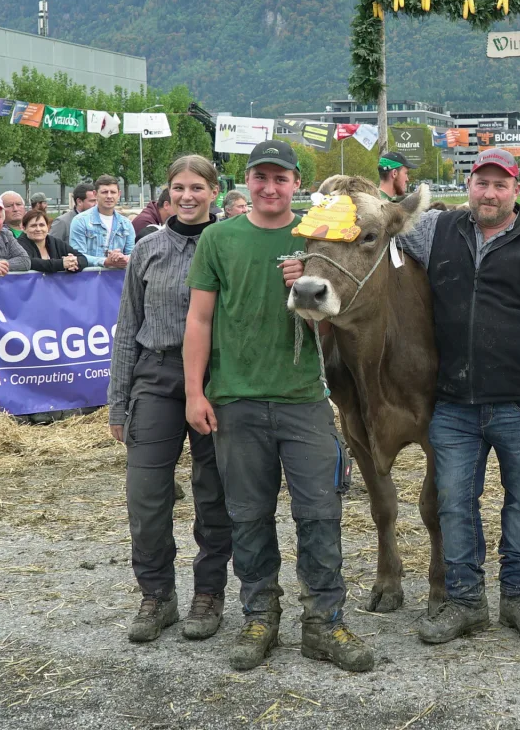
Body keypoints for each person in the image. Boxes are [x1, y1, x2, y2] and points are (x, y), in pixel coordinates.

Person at [183, 140, 374, 673]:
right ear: (247, 182)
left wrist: (312, 291)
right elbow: (198, 320)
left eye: (281, 178)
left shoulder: (318, 239)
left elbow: (346, 316)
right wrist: (195, 391)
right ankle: (259, 616)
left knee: (320, 513)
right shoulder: (219, 239)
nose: (270, 187)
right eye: (260, 177)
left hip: (305, 400)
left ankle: (324, 621)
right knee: (247, 515)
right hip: (237, 398)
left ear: (297, 185)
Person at [386, 148, 520, 647]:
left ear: (516, 191)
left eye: (501, 184)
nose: (490, 193)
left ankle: (519, 598)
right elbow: (380, 229)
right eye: (481, 183)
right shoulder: (437, 230)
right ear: (468, 186)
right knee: (454, 502)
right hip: (453, 402)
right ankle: (466, 602)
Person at [109, 154, 232, 645]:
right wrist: (118, 402)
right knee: (146, 495)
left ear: (214, 192)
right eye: (179, 187)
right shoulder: (146, 250)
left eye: (197, 187)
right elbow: (126, 331)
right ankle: (157, 595)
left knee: (214, 493)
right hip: (156, 377)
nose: (187, 196)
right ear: (167, 192)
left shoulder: (229, 246)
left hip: (217, 380)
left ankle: (209, 593)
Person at [69, 175, 135, 269]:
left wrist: (123, 258)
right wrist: (105, 261)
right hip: (90, 280)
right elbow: (78, 256)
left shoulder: (126, 224)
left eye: (113, 192)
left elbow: (133, 254)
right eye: (104, 192)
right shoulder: (80, 221)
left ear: (119, 194)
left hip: (119, 280)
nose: (109, 196)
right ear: (95, 194)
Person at [19, 209, 88, 273]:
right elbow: (29, 262)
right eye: (33, 226)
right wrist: (61, 264)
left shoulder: (55, 242)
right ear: (24, 229)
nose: (38, 229)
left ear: (47, 227)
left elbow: (82, 258)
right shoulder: (19, 245)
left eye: (42, 225)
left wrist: (73, 264)